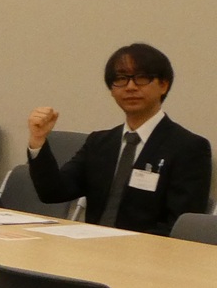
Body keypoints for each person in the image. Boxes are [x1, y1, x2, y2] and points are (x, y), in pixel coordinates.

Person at [28, 44, 212, 235]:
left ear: (163, 85)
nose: (130, 87)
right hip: (90, 246)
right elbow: (53, 192)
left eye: (141, 78)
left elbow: (180, 227)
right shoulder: (99, 143)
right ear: (111, 89)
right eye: (121, 79)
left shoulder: (189, 147)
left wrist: (121, 245)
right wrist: (38, 141)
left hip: (148, 250)